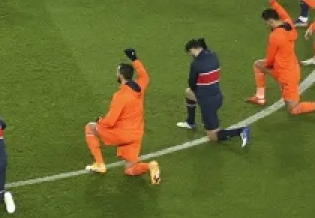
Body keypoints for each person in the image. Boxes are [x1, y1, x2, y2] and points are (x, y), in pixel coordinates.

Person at [84, 48, 160, 184]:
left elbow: (110, 122)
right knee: (130, 169)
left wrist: (100, 121)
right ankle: (150, 166)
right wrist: (134, 59)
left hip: (122, 134)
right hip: (136, 134)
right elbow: (144, 76)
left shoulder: (120, 96)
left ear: (121, 76)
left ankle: (100, 164)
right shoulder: (139, 87)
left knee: (90, 128)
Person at [249, 0, 315, 116]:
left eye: (266, 23)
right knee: (258, 65)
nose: (267, 25)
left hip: (285, 75)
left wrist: (269, 66)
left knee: (293, 109)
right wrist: (274, 3)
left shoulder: (275, 36)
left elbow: (270, 57)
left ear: (270, 21)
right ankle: (260, 97)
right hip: (290, 68)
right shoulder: (289, 24)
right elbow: (284, 14)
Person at [176, 38, 249, 145]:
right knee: (189, 93)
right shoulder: (213, 55)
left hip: (207, 103)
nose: (190, 55)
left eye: (190, 53)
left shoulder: (196, 64)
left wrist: (198, 91)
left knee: (213, 136)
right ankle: (190, 122)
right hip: (217, 96)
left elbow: (191, 82)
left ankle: (240, 131)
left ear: (192, 49)